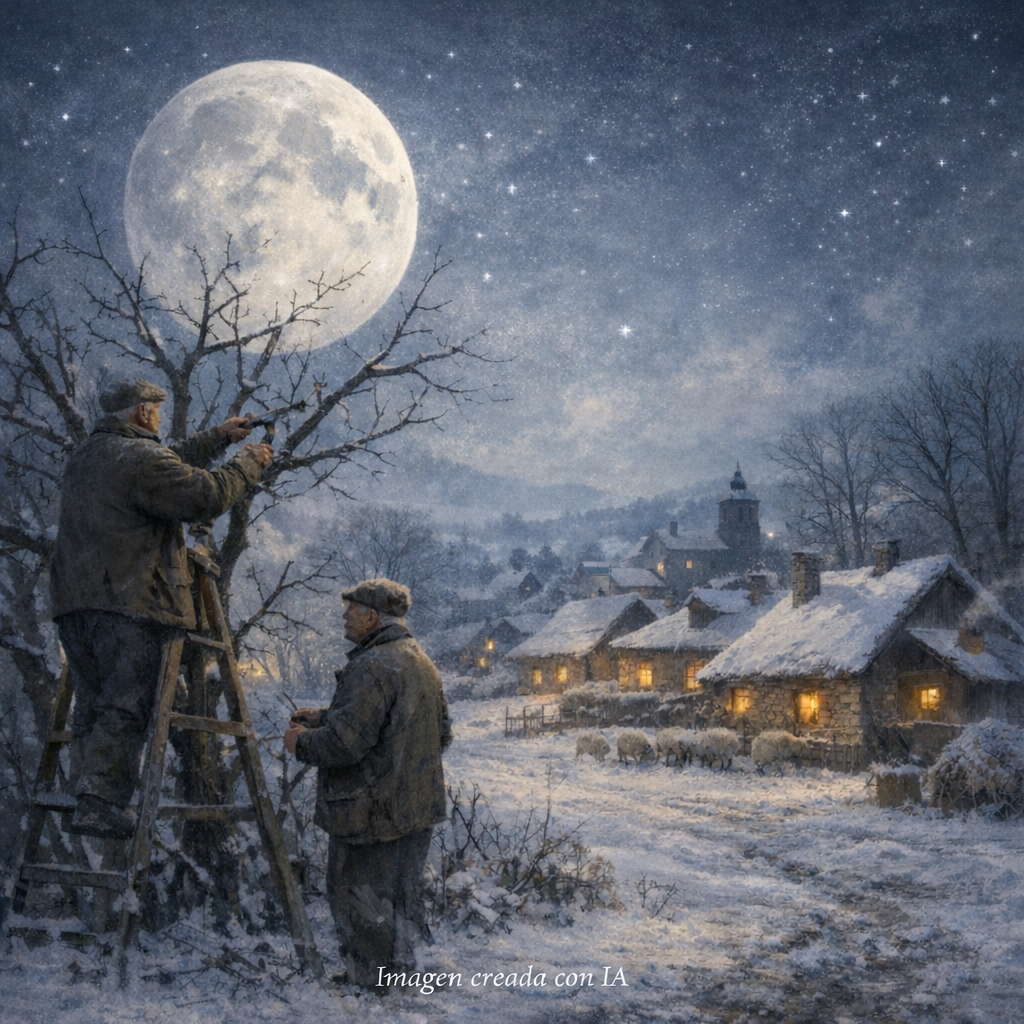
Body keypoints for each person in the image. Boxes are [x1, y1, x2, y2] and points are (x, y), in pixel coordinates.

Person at [50, 377, 273, 839]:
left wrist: (216, 438)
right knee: (128, 705)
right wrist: (248, 464)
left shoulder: (91, 457)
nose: (157, 416)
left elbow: (158, 469)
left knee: (96, 703)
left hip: (77, 605)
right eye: (154, 409)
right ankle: (98, 803)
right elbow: (203, 496)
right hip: (130, 602)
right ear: (140, 413)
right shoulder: (140, 459)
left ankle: (85, 790)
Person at [284, 578, 452, 991]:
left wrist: (301, 741)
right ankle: (398, 976)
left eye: (351, 609)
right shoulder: (420, 661)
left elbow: (345, 744)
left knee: (358, 896)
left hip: (370, 812)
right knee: (402, 896)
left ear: (372, 617)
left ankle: (368, 983)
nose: (344, 615)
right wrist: (326, 716)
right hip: (414, 810)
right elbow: (438, 733)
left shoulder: (370, 666)